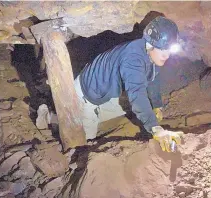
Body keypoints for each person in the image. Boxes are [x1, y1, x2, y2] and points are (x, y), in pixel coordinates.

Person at [74, 16, 183, 152]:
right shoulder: (132, 58)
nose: (166, 55)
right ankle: (51, 116)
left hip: (104, 91)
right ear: (150, 45)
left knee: (132, 107)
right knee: (85, 144)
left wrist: (156, 105)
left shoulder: (151, 53)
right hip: (85, 93)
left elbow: (153, 78)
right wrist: (155, 128)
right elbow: (137, 93)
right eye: (163, 49)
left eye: (169, 50)